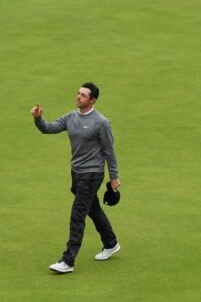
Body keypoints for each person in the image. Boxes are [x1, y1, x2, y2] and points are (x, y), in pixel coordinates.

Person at [31, 83, 121, 275]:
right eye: (78, 93)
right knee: (92, 207)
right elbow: (49, 128)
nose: (78, 97)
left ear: (92, 100)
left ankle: (68, 260)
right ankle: (110, 242)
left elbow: (109, 151)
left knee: (77, 215)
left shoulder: (101, 122)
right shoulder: (71, 117)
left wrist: (114, 177)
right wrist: (38, 118)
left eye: (83, 95)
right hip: (77, 173)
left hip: (92, 174)